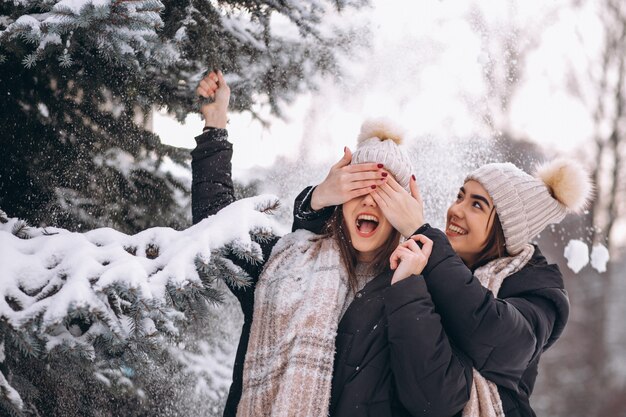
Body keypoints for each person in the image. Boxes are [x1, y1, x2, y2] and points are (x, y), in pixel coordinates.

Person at [192, 71, 472, 417]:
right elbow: (216, 227)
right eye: (358, 186)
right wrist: (215, 124)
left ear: (402, 212)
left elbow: (438, 400)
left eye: (383, 192)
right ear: (341, 200)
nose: (369, 201)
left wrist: (410, 286)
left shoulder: (424, 294)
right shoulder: (286, 263)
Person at [294, 147, 592, 416]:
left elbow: (490, 334)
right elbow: (321, 264)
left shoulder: (538, 294)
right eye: (460, 196)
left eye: (477, 205)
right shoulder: (433, 269)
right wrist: (318, 200)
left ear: (506, 229)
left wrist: (419, 230)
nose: (456, 210)